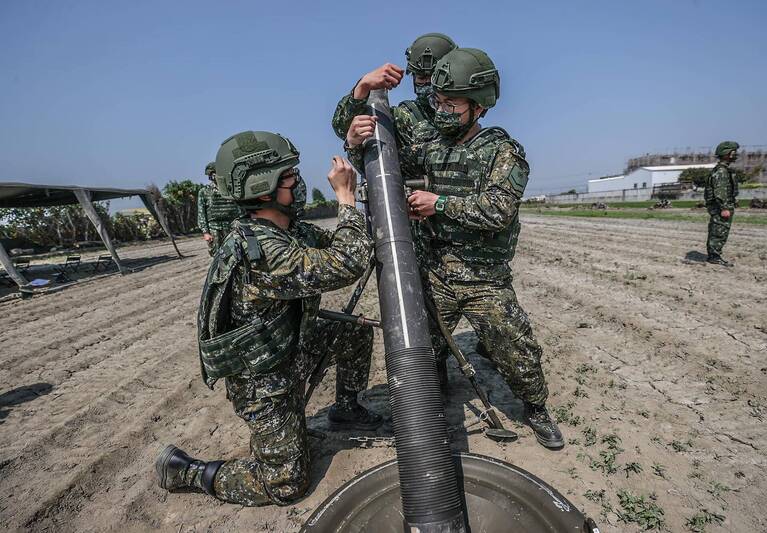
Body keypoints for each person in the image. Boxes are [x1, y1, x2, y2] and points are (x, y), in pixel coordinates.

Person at [344, 48, 564, 449]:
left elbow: (498, 210)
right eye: (439, 102)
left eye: (452, 104)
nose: (442, 110)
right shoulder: (432, 148)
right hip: (435, 272)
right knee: (423, 347)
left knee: (514, 346)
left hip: (483, 278)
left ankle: (536, 408)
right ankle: (435, 395)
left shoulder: (502, 151)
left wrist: (438, 204)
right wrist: (354, 142)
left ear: (478, 108)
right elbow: (379, 161)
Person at [156, 131, 382, 506]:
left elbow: (342, 242)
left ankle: (346, 409)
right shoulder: (261, 251)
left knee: (350, 331)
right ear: (264, 188)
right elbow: (345, 263)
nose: (300, 181)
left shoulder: (282, 229)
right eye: (290, 175)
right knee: (285, 485)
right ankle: (186, 471)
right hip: (266, 383)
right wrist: (345, 199)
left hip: (290, 350)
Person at [331, 32, 457, 149]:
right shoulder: (405, 118)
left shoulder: (466, 112)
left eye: (435, 77)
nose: (428, 84)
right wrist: (362, 87)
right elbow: (344, 129)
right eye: (421, 78)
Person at [196, 161, 244, 256]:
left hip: (232, 226)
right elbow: (201, 214)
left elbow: (239, 208)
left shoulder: (231, 189)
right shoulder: (204, 191)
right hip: (214, 228)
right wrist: (206, 232)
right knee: (217, 256)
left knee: (237, 253)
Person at [705, 141, 740, 266]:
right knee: (719, 231)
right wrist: (724, 207)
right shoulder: (721, 172)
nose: (735, 155)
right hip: (721, 207)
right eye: (733, 152)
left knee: (719, 230)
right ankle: (714, 256)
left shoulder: (723, 170)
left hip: (722, 206)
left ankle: (714, 255)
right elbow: (720, 191)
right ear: (726, 154)